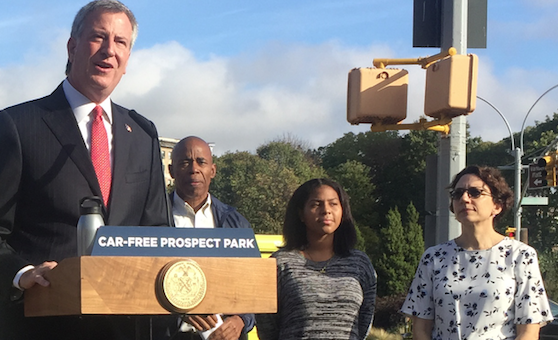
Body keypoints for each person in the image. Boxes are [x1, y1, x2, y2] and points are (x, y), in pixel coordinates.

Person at [0, 0, 170, 340]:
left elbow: (158, 234)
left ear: (128, 59)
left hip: (121, 328)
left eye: (121, 43)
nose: (109, 50)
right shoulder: (18, 125)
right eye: (98, 37)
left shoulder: (143, 133)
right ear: (72, 46)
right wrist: (22, 273)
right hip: (37, 323)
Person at [401, 165, 553, 340]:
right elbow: (421, 329)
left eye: (475, 192)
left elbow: (528, 331)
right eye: (457, 194)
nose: (464, 198)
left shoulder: (521, 256)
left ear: (497, 205)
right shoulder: (434, 257)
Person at [153, 136, 254, 340]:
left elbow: (254, 287)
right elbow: (138, 283)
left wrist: (241, 320)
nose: (194, 169)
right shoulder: (152, 220)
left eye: (201, 162)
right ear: (171, 171)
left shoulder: (235, 223)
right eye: (185, 162)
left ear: (213, 170)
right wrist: (179, 309)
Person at [256, 178, 377, 340]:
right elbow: (267, 327)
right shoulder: (280, 264)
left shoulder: (360, 263)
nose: (326, 210)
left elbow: (364, 323)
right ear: (301, 213)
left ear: (343, 210)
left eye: (333, 204)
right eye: (316, 204)